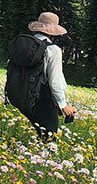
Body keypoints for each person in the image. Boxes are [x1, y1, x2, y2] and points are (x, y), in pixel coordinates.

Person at [24, 12, 77, 142]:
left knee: (37, 132)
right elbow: (55, 81)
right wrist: (63, 105)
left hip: (22, 94)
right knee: (48, 138)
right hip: (42, 97)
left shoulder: (26, 44)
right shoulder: (53, 50)